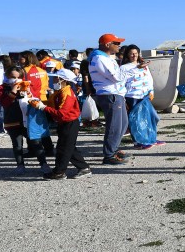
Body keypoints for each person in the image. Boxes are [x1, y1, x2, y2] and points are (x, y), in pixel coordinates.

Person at [29, 69, 91, 179]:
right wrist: (37, 101)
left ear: (63, 80)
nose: (53, 80)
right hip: (65, 123)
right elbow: (51, 104)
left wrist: (43, 107)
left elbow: (61, 113)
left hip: (70, 122)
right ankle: (83, 168)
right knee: (68, 147)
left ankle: (59, 172)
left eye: (56, 78)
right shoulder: (60, 91)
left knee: (63, 148)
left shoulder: (66, 93)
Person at [89, 33, 137, 165]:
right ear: (107, 44)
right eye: (116, 43)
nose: (119, 45)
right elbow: (115, 77)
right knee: (115, 126)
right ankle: (109, 155)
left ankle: (113, 150)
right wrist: (129, 71)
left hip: (116, 94)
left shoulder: (106, 57)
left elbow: (117, 75)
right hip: (110, 94)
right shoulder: (99, 58)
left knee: (122, 124)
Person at [0, 66, 51, 176]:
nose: (16, 80)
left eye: (19, 77)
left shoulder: (27, 85)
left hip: (28, 120)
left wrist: (28, 92)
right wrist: (13, 91)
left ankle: (43, 164)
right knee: (17, 145)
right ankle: (20, 165)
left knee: (36, 142)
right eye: (12, 77)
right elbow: (4, 103)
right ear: (7, 76)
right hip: (12, 120)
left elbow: (34, 100)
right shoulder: (1, 88)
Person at [120, 44, 163, 149]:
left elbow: (149, 79)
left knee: (153, 117)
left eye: (136, 53)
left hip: (144, 96)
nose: (134, 55)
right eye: (131, 53)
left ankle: (150, 138)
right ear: (127, 55)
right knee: (136, 120)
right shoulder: (124, 68)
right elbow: (121, 81)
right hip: (132, 96)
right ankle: (138, 142)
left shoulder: (143, 65)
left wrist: (151, 91)